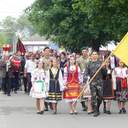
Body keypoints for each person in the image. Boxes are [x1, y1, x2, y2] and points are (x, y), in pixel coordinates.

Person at [83, 51, 103, 117]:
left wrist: (104, 68)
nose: (94, 55)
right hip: (92, 82)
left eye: (95, 54)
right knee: (94, 97)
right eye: (93, 54)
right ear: (91, 56)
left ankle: (97, 107)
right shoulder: (88, 64)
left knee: (100, 96)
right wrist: (86, 79)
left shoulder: (101, 63)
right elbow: (85, 73)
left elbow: (105, 74)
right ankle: (96, 110)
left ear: (97, 55)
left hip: (99, 82)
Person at [77, 47, 89, 111]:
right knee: (82, 91)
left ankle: (88, 105)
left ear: (87, 52)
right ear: (82, 52)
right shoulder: (79, 59)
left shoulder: (89, 59)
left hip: (88, 76)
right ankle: (83, 104)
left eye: (85, 51)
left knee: (88, 90)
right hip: (81, 76)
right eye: (83, 51)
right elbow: (77, 67)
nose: (84, 53)